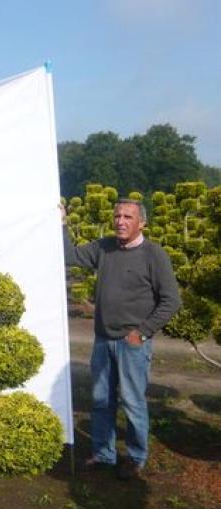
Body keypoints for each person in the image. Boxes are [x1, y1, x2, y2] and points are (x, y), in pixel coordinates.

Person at [62, 199, 181, 479]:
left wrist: (142, 332)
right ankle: (104, 454)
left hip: (132, 343)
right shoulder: (104, 248)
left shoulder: (154, 255)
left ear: (142, 223)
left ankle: (136, 456)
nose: (120, 221)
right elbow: (70, 257)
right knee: (101, 399)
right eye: (117, 216)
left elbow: (171, 300)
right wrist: (62, 225)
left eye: (128, 216)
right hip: (103, 340)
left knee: (132, 401)